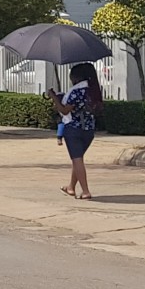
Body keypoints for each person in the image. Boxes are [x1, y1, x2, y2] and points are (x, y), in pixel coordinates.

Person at [48, 61, 104, 199]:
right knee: (77, 159)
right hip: (88, 130)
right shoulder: (94, 90)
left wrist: (54, 97)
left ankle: (85, 191)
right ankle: (71, 187)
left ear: (77, 77)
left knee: (77, 159)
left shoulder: (76, 91)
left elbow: (65, 110)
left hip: (73, 129)